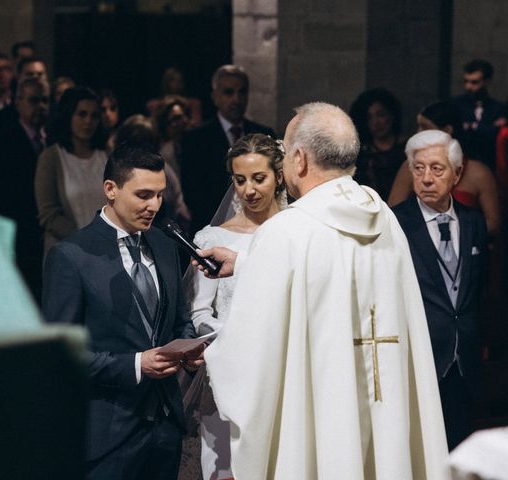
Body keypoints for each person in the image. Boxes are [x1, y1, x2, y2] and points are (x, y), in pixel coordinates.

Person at [199, 102, 449, 479]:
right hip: (388, 398)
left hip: (325, 414)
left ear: (298, 159)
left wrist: (210, 355)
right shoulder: (384, 218)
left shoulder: (287, 231)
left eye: (283, 152)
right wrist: (248, 262)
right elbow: (336, 272)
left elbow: (250, 354)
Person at [42, 146, 201, 480]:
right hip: (108, 433)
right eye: (143, 195)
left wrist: (188, 349)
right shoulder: (72, 256)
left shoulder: (164, 243)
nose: (154, 206)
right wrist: (136, 364)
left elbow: (180, 320)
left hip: (166, 425)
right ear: (110, 189)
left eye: (159, 195)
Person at [183, 133, 285, 480]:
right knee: (223, 466)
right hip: (226, 371)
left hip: (282, 368)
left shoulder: (295, 234)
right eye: (240, 180)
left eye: (259, 178)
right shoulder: (213, 238)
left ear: (279, 176)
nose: (249, 190)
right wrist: (230, 342)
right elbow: (199, 312)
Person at [393, 130, 487, 451]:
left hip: (466, 359)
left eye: (437, 168)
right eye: (418, 169)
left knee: (460, 448)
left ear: (457, 174)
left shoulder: (474, 222)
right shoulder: (397, 223)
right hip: (420, 358)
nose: (427, 178)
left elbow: (480, 291)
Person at [181, 65, 274, 233]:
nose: (236, 99)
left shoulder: (265, 133)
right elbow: (193, 194)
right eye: (228, 92)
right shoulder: (194, 139)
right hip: (210, 227)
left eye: (242, 92)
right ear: (215, 96)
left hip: (259, 228)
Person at [388, 101, 501, 239]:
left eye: (424, 127)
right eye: (419, 168)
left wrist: (456, 231)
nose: (418, 132)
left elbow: (494, 223)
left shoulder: (479, 173)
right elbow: (392, 215)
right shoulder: (409, 167)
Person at [0, 78, 49, 302]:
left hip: (49, 235)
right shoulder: (4, 141)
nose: (41, 106)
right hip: (23, 234)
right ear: (18, 102)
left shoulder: (55, 137)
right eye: (34, 100)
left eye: (45, 100)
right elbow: (5, 196)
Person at [34, 86, 107, 253]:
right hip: (68, 251)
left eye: (94, 116)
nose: (88, 121)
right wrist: (84, 238)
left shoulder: (106, 156)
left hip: (106, 251)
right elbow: (48, 215)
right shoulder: (51, 158)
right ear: (68, 116)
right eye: (82, 114)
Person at [349, 87, 406, 202]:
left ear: (391, 115)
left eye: (381, 115)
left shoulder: (406, 148)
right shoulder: (361, 154)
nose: (376, 122)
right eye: (369, 118)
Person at [452, 59, 507, 170]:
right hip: (460, 166)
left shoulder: (499, 108)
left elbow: (497, 137)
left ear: (487, 82)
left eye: (474, 82)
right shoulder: (455, 104)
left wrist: (472, 126)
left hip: (490, 167)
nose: (468, 87)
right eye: (465, 81)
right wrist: (488, 128)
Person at [156, 96, 190, 179]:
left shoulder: (193, 146)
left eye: (186, 116)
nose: (185, 121)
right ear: (164, 123)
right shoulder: (163, 155)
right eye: (177, 118)